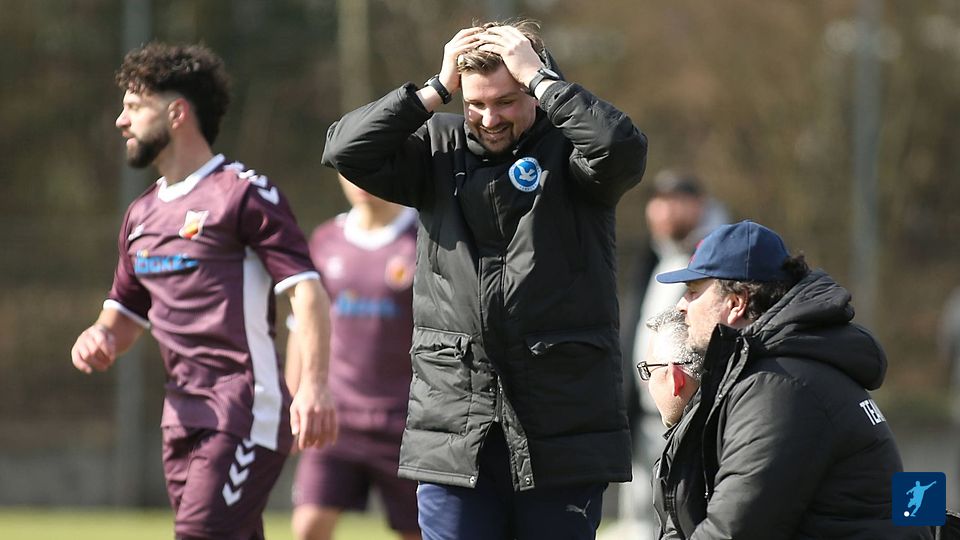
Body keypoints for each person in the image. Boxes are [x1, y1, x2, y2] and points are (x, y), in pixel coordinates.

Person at [321, 19, 648, 540]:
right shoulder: (437, 147)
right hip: (454, 427)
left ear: (536, 90)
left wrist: (541, 79)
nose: (489, 118)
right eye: (475, 103)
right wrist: (435, 88)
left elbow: (622, 149)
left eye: (506, 101)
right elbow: (346, 149)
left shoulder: (573, 151)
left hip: (559, 430)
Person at [69, 42, 337, 540]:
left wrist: (314, 386)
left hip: (243, 409)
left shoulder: (243, 194)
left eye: (134, 106)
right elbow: (124, 313)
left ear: (177, 113)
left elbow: (307, 291)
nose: (121, 121)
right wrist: (100, 335)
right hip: (180, 417)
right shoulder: (140, 215)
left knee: (200, 534)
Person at [651, 219, 932, 539]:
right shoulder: (781, 373)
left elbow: (735, 532)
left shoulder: (781, 386)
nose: (681, 306)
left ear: (736, 303)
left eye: (693, 292)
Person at [287, 174, 420, 540]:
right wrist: (295, 396)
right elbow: (302, 327)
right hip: (336, 419)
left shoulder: (425, 236)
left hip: (407, 423)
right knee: (308, 527)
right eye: (349, 168)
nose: (359, 178)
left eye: (368, 165)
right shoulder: (326, 239)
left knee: (420, 532)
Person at [610, 170, 727, 540]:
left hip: (696, 419)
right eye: (658, 202)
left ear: (700, 205)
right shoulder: (652, 259)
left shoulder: (720, 258)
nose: (664, 211)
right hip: (645, 418)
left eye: (675, 201)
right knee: (641, 521)